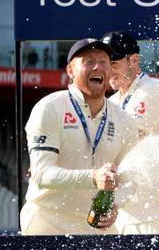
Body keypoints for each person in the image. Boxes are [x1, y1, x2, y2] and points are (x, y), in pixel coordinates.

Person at [20, 38, 139, 235]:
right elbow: (41, 174)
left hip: (97, 224)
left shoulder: (123, 119)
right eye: (88, 62)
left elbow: (131, 176)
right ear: (70, 71)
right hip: (47, 221)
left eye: (103, 62)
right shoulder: (50, 108)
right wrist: (93, 177)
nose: (97, 67)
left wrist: (117, 203)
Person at [102, 30, 159, 234]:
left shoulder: (153, 89)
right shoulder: (113, 102)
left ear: (134, 60)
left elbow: (124, 142)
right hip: (126, 212)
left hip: (155, 213)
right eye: (105, 65)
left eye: (114, 64)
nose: (108, 71)